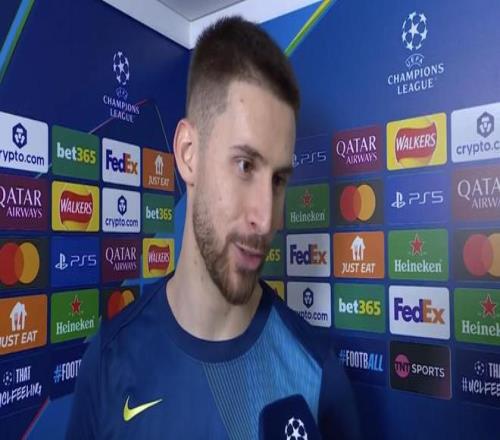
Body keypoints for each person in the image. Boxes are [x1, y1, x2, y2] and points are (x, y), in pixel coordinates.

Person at [67, 16, 360, 439]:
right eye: (245, 165)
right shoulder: (109, 362)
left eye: (278, 180)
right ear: (189, 154)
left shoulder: (317, 373)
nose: (267, 218)